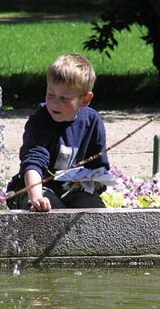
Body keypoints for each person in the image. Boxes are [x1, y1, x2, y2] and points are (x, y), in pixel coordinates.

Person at [7, 53, 110, 211]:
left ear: (85, 100)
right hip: (34, 188)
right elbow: (33, 162)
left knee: (93, 209)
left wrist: (95, 184)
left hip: (72, 189)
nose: (55, 103)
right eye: (51, 95)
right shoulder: (40, 121)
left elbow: (98, 166)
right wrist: (37, 197)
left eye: (64, 98)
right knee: (48, 209)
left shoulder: (92, 122)